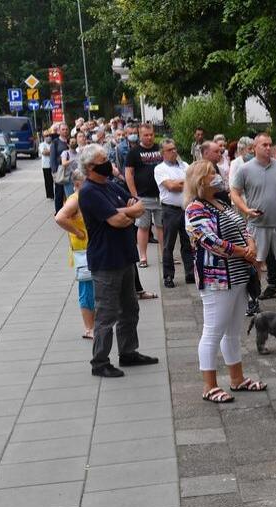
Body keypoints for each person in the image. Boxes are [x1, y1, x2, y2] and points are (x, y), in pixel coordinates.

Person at [185, 160, 266, 403]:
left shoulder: (221, 202)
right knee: (213, 332)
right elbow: (209, 241)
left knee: (232, 331)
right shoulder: (195, 209)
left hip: (239, 275)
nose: (217, 175)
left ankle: (237, 379)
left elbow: (243, 226)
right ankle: (209, 386)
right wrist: (244, 252)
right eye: (211, 173)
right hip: (217, 278)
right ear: (200, 180)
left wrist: (250, 244)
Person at [76, 144, 159, 377]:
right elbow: (117, 221)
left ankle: (128, 352)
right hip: (106, 261)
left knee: (130, 309)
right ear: (91, 167)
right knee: (107, 314)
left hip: (125, 257)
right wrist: (126, 213)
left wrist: (125, 212)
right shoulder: (90, 191)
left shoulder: (111, 185)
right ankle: (100, 362)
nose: (109, 163)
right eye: (103, 160)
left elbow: (140, 206)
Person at [229, 133, 276, 308]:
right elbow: (234, 192)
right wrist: (246, 209)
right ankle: (253, 297)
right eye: (264, 145)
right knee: (256, 261)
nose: (268, 148)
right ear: (255, 147)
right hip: (257, 225)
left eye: (270, 145)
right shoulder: (245, 169)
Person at [54, 171, 95, 339]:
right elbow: (59, 218)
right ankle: (89, 328)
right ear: (77, 184)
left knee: (95, 287)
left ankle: (95, 324)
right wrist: (77, 232)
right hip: (83, 250)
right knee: (87, 288)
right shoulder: (75, 200)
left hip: (92, 248)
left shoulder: (85, 198)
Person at [154, 139, 193, 288]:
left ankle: (189, 273)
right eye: (170, 150)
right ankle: (168, 276)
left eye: (175, 148)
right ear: (163, 153)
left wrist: (181, 183)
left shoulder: (185, 166)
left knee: (187, 243)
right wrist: (185, 182)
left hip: (186, 209)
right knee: (168, 245)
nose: (174, 152)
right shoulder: (160, 168)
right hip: (170, 210)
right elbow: (171, 186)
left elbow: (193, 183)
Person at [125, 123, 164, 268]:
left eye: (151, 134)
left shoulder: (160, 149)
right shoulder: (134, 152)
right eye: (146, 135)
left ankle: (164, 255)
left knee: (161, 226)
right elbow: (128, 174)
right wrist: (134, 195)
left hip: (160, 196)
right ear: (140, 136)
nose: (149, 137)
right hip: (143, 196)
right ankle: (143, 257)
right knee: (143, 227)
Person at [59, 132, 88, 200]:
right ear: (68, 144)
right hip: (68, 178)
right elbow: (64, 163)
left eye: (75, 142)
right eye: (72, 142)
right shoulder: (65, 153)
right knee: (70, 197)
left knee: (78, 197)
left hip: (77, 178)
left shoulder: (78, 153)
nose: (74, 143)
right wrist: (72, 160)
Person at [50, 123, 70, 213]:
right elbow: (52, 158)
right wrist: (54, 172)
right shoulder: (55, 142)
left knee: (69, 192)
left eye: (66, 129)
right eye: (63, 129)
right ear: (59, 131)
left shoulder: (70, 141)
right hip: (60, 170)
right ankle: (58, 212)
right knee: (59, 192)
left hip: (70, 170)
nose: (65, 131)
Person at [40, 131, 54, 199]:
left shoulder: (53, 143)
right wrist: (52, 151)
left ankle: (54, 193)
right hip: (46, 165)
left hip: (53, 164)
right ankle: (50, 195)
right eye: (46, 136)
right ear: (44, 137)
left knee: (54, 180)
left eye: (49, 135)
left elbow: (49, 152)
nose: (48, 137)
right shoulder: (42, 144)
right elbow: (44, 152)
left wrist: (49, 151)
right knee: (48, 180)